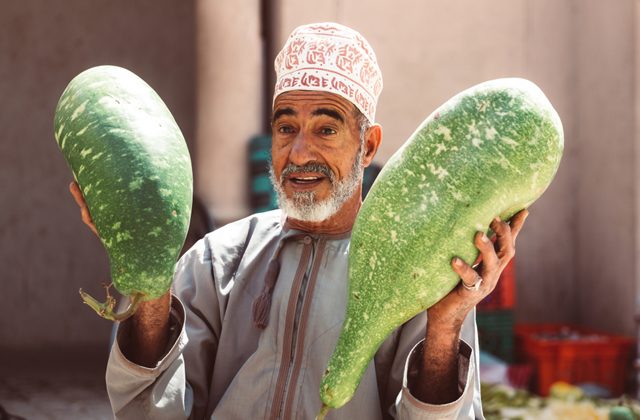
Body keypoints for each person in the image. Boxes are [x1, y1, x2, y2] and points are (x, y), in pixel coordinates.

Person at [70, 22, 527, 419]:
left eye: (326, 129)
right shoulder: (215, 260)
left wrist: (445, 325)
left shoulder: (414, 275)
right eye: (286, 127)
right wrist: (145, 267)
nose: (300, 153)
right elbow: (147, 411)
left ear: (367, 145)